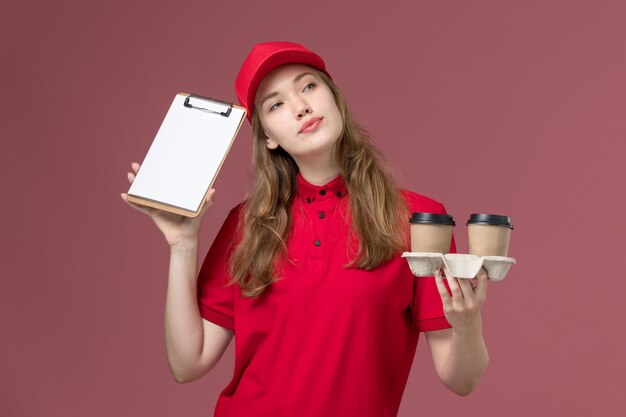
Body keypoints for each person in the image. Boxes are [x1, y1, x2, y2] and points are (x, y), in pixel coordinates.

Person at [121, 41, 489, 417]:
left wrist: (468, 324)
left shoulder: (419, 218)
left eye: (309, 86)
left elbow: (462, 380)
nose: (301, 107)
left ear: (334, 97)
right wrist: (183, 244)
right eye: (276, 104)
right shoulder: (243, 225)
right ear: (268, 137)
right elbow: (188, 363)